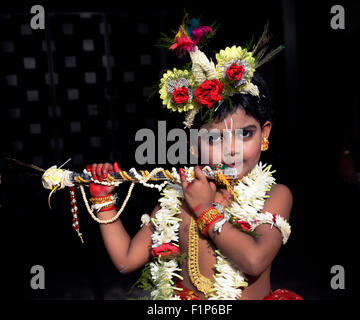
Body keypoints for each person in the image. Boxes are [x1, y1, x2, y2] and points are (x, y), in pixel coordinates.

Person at [86, 17, 303, 300]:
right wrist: (103, 201)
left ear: (265, 133)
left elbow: (254, 260)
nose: (232, 150)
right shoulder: (177, 197)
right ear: (192, 145)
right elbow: (127, 260)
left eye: (245, 135)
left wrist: (203, 208)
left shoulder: (275, 196)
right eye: (214, 139)